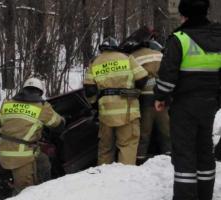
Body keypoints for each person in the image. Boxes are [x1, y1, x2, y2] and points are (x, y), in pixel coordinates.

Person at [154, 0, 221, 199]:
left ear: (185, 15)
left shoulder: (180, 39)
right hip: (210, 103)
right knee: (204, 148)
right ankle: (204, 194)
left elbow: (167, 75)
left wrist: (161, 97)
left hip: (184, 105)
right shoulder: (218, 37)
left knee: (184, 152)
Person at [0, 77, 65, 193]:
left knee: (43, 162)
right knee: (25, 190)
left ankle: (46, 191)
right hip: (21, 155)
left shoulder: (8, 104)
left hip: (5, 151)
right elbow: (58, 125)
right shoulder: (42, 107)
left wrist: (5, 140)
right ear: (39, 92)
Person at [83, 36, 148, 165]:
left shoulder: (95, 62)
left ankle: (104, 178)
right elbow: (142, 78)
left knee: (106, 148)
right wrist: (135, 91)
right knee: (127, 145)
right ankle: (124, 177)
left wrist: (95, 104)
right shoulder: (127, 58)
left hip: (106, 113)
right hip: (128, 110)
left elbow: (89, 90)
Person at [120, 26, 171, 165]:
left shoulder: (133, 56)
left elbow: (131, 79)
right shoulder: (160, 55)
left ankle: (140, 159)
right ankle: (168, 157)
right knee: (165, 130)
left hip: (145, 98)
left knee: (144, 132)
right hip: (162, 95)